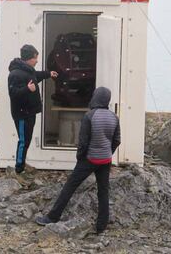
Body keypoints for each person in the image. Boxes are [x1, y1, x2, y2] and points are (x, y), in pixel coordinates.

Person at [35, 87, 121, 234]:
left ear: (95, 97)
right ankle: (101, 225)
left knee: (69, 187)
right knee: (103, 192)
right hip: (105, 160)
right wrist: (108, 153)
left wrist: (81, 157)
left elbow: (83, 142)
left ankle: (52, 217)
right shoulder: (114, 117)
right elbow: (117, 140)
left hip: (89, 159)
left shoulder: (89, 116)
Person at [8, 44, 58, 174]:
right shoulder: (15, 74)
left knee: (27, 139)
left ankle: (22, 164)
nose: (37, 60)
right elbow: (13, 94)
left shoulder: (28, 70)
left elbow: (36, 75)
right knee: (24, 141)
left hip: (30, 112)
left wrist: (48, 74)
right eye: (35, 58)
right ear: (29, 59)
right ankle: (19, 168)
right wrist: (27, 89)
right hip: (22, 114)